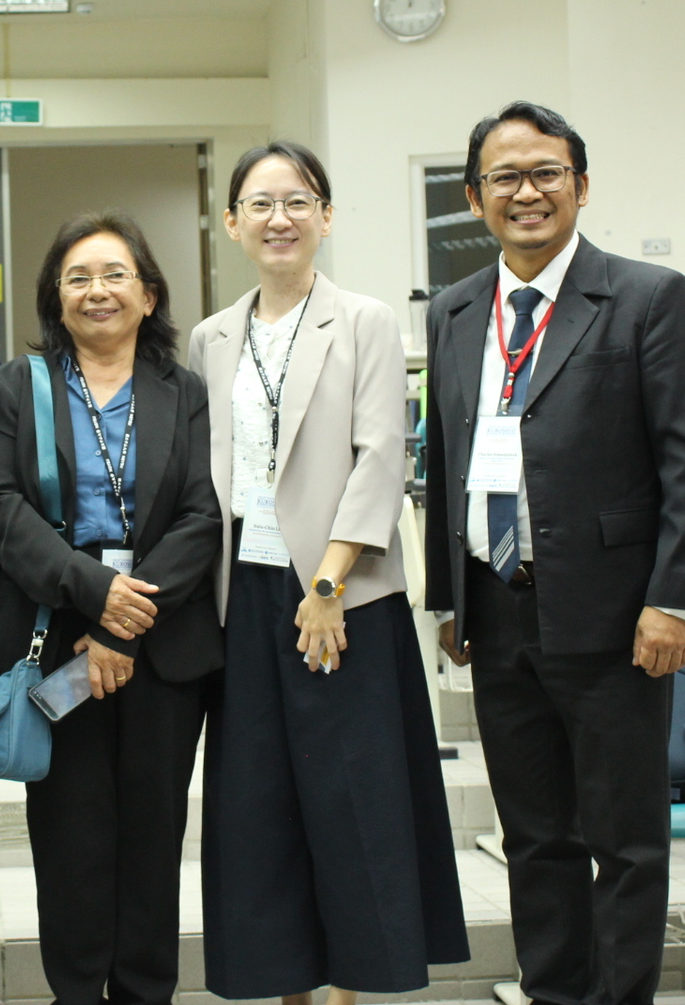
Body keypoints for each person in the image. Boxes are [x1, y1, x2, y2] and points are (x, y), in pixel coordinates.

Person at [425, 101, 685, 1005]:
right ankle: (555, 993)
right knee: (534, 837)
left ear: (581, 185)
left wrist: (675, 601)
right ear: (476, 199)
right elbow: (446, 459)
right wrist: (452, 600)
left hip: (617, 614)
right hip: (500, 606)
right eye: (505, 178)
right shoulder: (453, 311)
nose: (527, 193)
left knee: (626, 843)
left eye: (546, 173)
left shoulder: (645, 296)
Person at [191, 141, 467, 1005]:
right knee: (258, 807)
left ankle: (352, 986)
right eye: (261, 204)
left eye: (299, 201)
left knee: (353, 801)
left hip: (340, 596)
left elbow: (382, 456)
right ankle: (287, 990)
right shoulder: (211, 337)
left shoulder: (366, 320)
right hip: (245, 595)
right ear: (233, 223)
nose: (281, 218)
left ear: (326, 216)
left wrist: (329, 584)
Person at [0, 212, 222, 1005]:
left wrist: (125, 619)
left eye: (115, 275)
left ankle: (146, 993)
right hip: (57, 647)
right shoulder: (20, 384)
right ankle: (76, 994)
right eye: (77, 277)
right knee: (71, 847)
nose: (97, 291)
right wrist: (93, 599)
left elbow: (204, 514)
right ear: (55, 296)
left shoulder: (184, 392)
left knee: (153, 847)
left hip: (161, 652)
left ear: (149, 295)